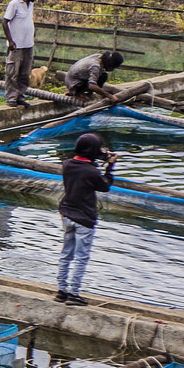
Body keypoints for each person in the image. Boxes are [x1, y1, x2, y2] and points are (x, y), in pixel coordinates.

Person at [57, 131, 115, 305]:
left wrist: (98, 156)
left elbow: (84, 166)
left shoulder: (67, 164)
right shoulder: (92, 172)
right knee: (82, 257)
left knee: (66, 254)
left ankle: (61, 291)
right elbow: (104, 186)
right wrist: (110, 166)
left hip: (67, 214)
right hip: (84, 219)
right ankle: (74, 294)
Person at [0, 0, 40, 107]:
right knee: (13, 73)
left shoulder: (30, 4)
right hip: (16, 46)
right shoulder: (15, 4)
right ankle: (11, 97)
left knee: (24, 73)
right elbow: (5, 22)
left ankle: (20, 96)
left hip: (28, 44)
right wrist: (11, 41)